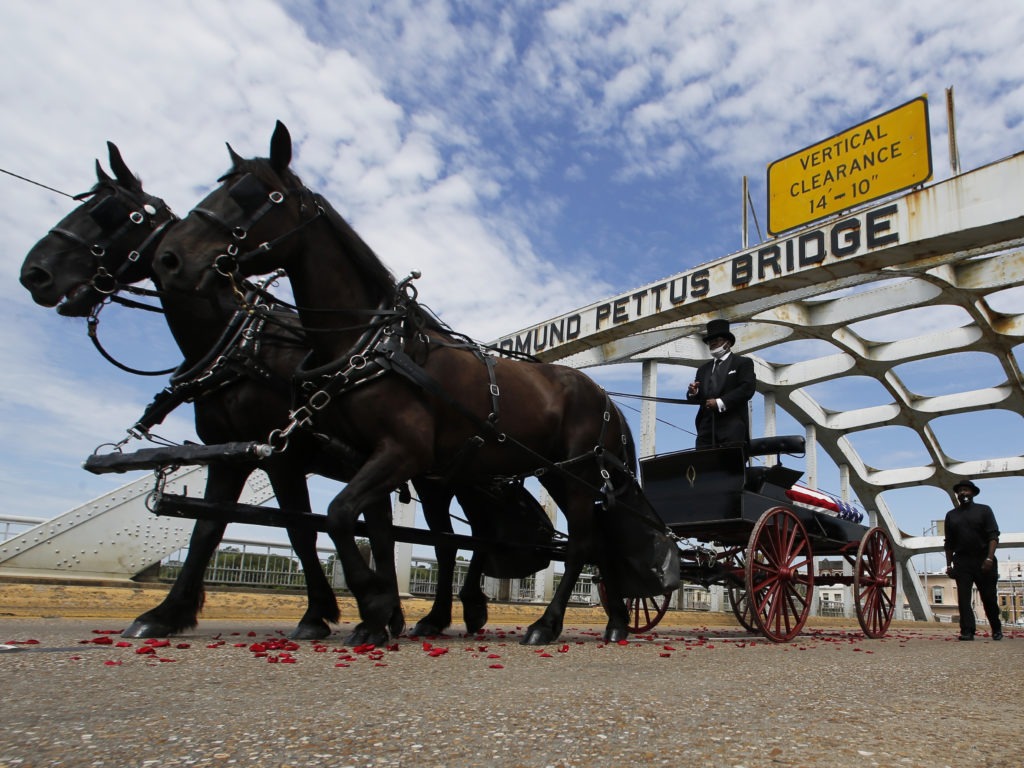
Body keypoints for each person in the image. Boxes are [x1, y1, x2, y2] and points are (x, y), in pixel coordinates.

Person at [944, 479, 1003, 641]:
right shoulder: (951, 515)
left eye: (966, 490)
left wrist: (989, 558)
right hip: (962, 561)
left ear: (973, 493)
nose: (963, 493)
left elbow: (993, 536)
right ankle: (967, 631)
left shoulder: (984, 510)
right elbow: (948, 543)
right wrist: (949, 565)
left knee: (988, 597)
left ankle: (996, 628)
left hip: (984, 559)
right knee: (963, 599)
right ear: (957, 495)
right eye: (960, 491)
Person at [685, 318, 756, 449]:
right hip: (705, 428)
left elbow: (747, 389)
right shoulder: (703, 369)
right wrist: (694, 393)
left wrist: (720, 403)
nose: (712, 344)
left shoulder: (742, 363)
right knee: (703, 465)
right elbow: (697, 399)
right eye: (710, 342)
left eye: (716, 340)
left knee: (730, 466)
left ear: (727, 343)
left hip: (732, 426)